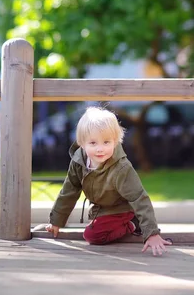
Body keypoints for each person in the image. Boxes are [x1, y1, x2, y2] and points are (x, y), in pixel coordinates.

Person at [46, 106, 171, 255]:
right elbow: (69, 190)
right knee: (96, 228)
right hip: (102, 208)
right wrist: (56, 221)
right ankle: (126, 222)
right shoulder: (79, 161)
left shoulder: (121, 168)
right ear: (82, 143)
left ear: (115, 141)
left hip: (121, 209)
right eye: (93, 143)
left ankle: (129, 224)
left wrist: (152, 234)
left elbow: (139, 197)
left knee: (92, 235)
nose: (100, 149)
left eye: (106, 142)